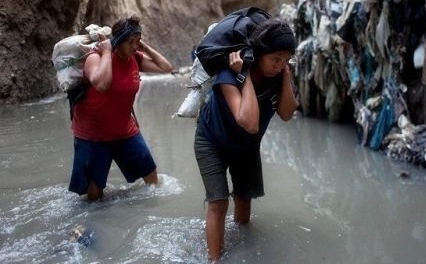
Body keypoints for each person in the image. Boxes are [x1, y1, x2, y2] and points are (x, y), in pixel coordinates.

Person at [194, 18, 299, 261]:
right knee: (219, 203)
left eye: (285, 60)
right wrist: (247, 74)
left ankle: (243, 250)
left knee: (244, 197)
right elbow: (250, 122)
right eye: (275, 59)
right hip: (212, 142)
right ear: (260, 54)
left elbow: (286, 113)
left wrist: (285, 76)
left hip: (246, 147)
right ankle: (214, 259)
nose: (279, 65)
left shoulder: (278, 75)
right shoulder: (228, 74)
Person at [68, 15, 175, 201]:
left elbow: (166, 67)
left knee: (151, 177)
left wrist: (143, 46)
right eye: (130, 42)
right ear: (117, 41)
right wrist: (108, 52)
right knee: (94, 195)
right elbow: (102, 84)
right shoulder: (95, 57)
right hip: (94, 134)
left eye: (137, 41)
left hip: (125, 130)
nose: (134, 46)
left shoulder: (136, 58)